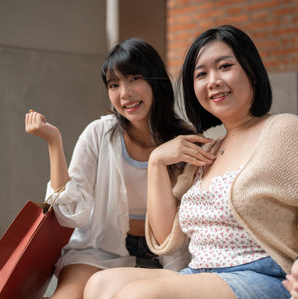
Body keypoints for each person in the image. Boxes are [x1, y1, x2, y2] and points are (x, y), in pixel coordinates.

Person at [83, 25, 298, 299]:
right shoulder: (208, 151)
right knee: (100, 284)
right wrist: (156, 162)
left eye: (225, 66)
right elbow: (166, 237)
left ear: (251, 71)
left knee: (139, 296)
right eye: (201, 74)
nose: (213, 80)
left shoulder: (289, 130)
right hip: (203, 273)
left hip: (272, 276)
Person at [25, 38, 193, 299]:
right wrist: (54, 142)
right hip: (101, 249)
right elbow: (70, 213)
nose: (124, 93)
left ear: (155, 81)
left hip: (167, 253)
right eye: (114, 84)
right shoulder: (99, 134)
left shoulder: (183, 138)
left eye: (135, 78)